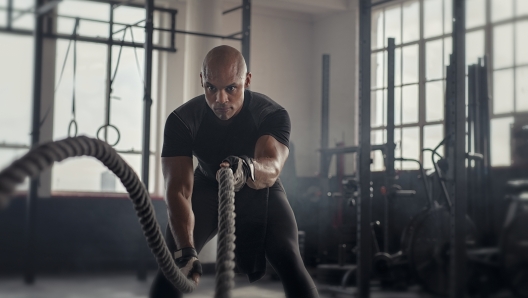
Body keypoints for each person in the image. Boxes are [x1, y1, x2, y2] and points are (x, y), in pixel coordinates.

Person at [149, 45, 319, 298]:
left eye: (231, 88)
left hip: (259, 186)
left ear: (246, 81)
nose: (220, 100)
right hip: (207, 185)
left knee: (288, 256)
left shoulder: (270, 113)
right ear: (202, 81)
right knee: (173, 265)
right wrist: (187, 250)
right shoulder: (182, 120)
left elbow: (271, 167)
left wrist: (248, 167)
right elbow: (178, 190)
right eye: (211, 88)